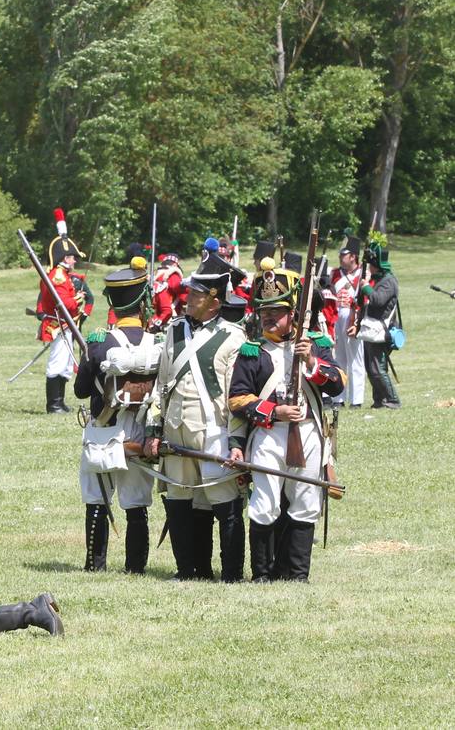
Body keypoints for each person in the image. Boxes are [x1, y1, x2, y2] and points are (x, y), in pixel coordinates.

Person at [228, 259, 344, 582]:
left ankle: (297, 575)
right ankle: (262, 575)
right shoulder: (253, 352)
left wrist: (310, 361)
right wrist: (273, 412)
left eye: (276, 310)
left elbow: (338, 383)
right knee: (264, 505)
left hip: (307, 433)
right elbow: (237, 399)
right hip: (269, 435)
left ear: (293, 312)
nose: (267, 316)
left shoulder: (316, 346)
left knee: (306, 502)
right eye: (264, 310)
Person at [142, 249, 247, 582]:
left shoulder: (233, 337)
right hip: (175, 431)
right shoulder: (174, 331)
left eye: (197, 295)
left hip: (213, 430)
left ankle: (230, 574)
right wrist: (154, 431)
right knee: (179, 501)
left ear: (215, 300)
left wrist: (235, 440)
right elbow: (161, 385)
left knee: (224, 504)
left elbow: (236, 395)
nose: (189, 299)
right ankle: (189, 569)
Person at [75, 256, 160, 573]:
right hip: (138, 433)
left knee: (97, 500)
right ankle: (135, 568)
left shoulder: (98, 342)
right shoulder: (158, 341)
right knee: (137, 505)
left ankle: (94, 566)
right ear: (143, 301)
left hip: (102, 432)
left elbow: (81, 390)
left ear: (112, 300)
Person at [37, 209, 93, 415]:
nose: (74, 261)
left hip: (65, 325)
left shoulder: (63, 274)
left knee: (66, 365)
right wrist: (79, 299)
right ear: (64, 257)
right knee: (57, 364)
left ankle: (59, 402)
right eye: (72, 257)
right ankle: (53, 404)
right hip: (57, 325)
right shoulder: (58, 276)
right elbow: (66, 304)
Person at [350, 241, 401, 409]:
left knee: (377, 368)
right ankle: (379, 400)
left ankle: (392, 400)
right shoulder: (380, 279)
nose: (369, 268)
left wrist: (365, 287)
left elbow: (378, 300)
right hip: (372, 328)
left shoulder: (389, 281)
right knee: (371, 368)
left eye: (371, 265)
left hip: (381, 329)